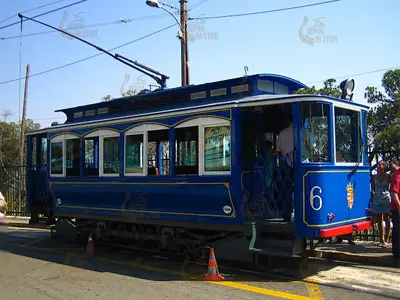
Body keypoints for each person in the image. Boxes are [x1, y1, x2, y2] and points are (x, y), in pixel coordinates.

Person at [371, 160, 392, 247]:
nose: (378, 166)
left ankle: (387, 239)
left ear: (384, 166)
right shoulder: (374, 177)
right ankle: (381, 239)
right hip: (377, 198)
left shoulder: (388, 176)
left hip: (386, 198)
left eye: (380, 165)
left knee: (387, 219)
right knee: (379, 219)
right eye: (378, 164)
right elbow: (372, 188)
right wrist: (373, 195)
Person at [390, 160, 400, 259]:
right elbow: (394, 193)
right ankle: (397, 252)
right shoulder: (396, 176)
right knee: (397, 230)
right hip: (396, 208)